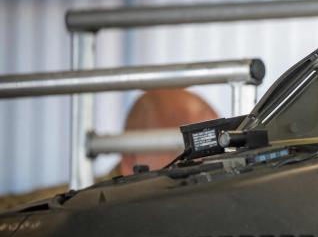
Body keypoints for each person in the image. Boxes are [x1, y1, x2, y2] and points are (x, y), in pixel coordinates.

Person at [0, 89, 218, 211]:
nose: (203, 169)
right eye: (181, 157)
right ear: (130, 159)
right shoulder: (49, 213)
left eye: (214, 151)